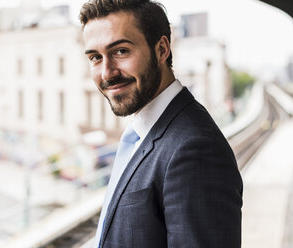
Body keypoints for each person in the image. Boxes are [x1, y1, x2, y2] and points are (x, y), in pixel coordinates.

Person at [79, 0, 243, 247]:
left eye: (121, 51)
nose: (107, 72)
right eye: (95, 57)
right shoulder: (145, 132)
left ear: (162, 50)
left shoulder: (195, 149)